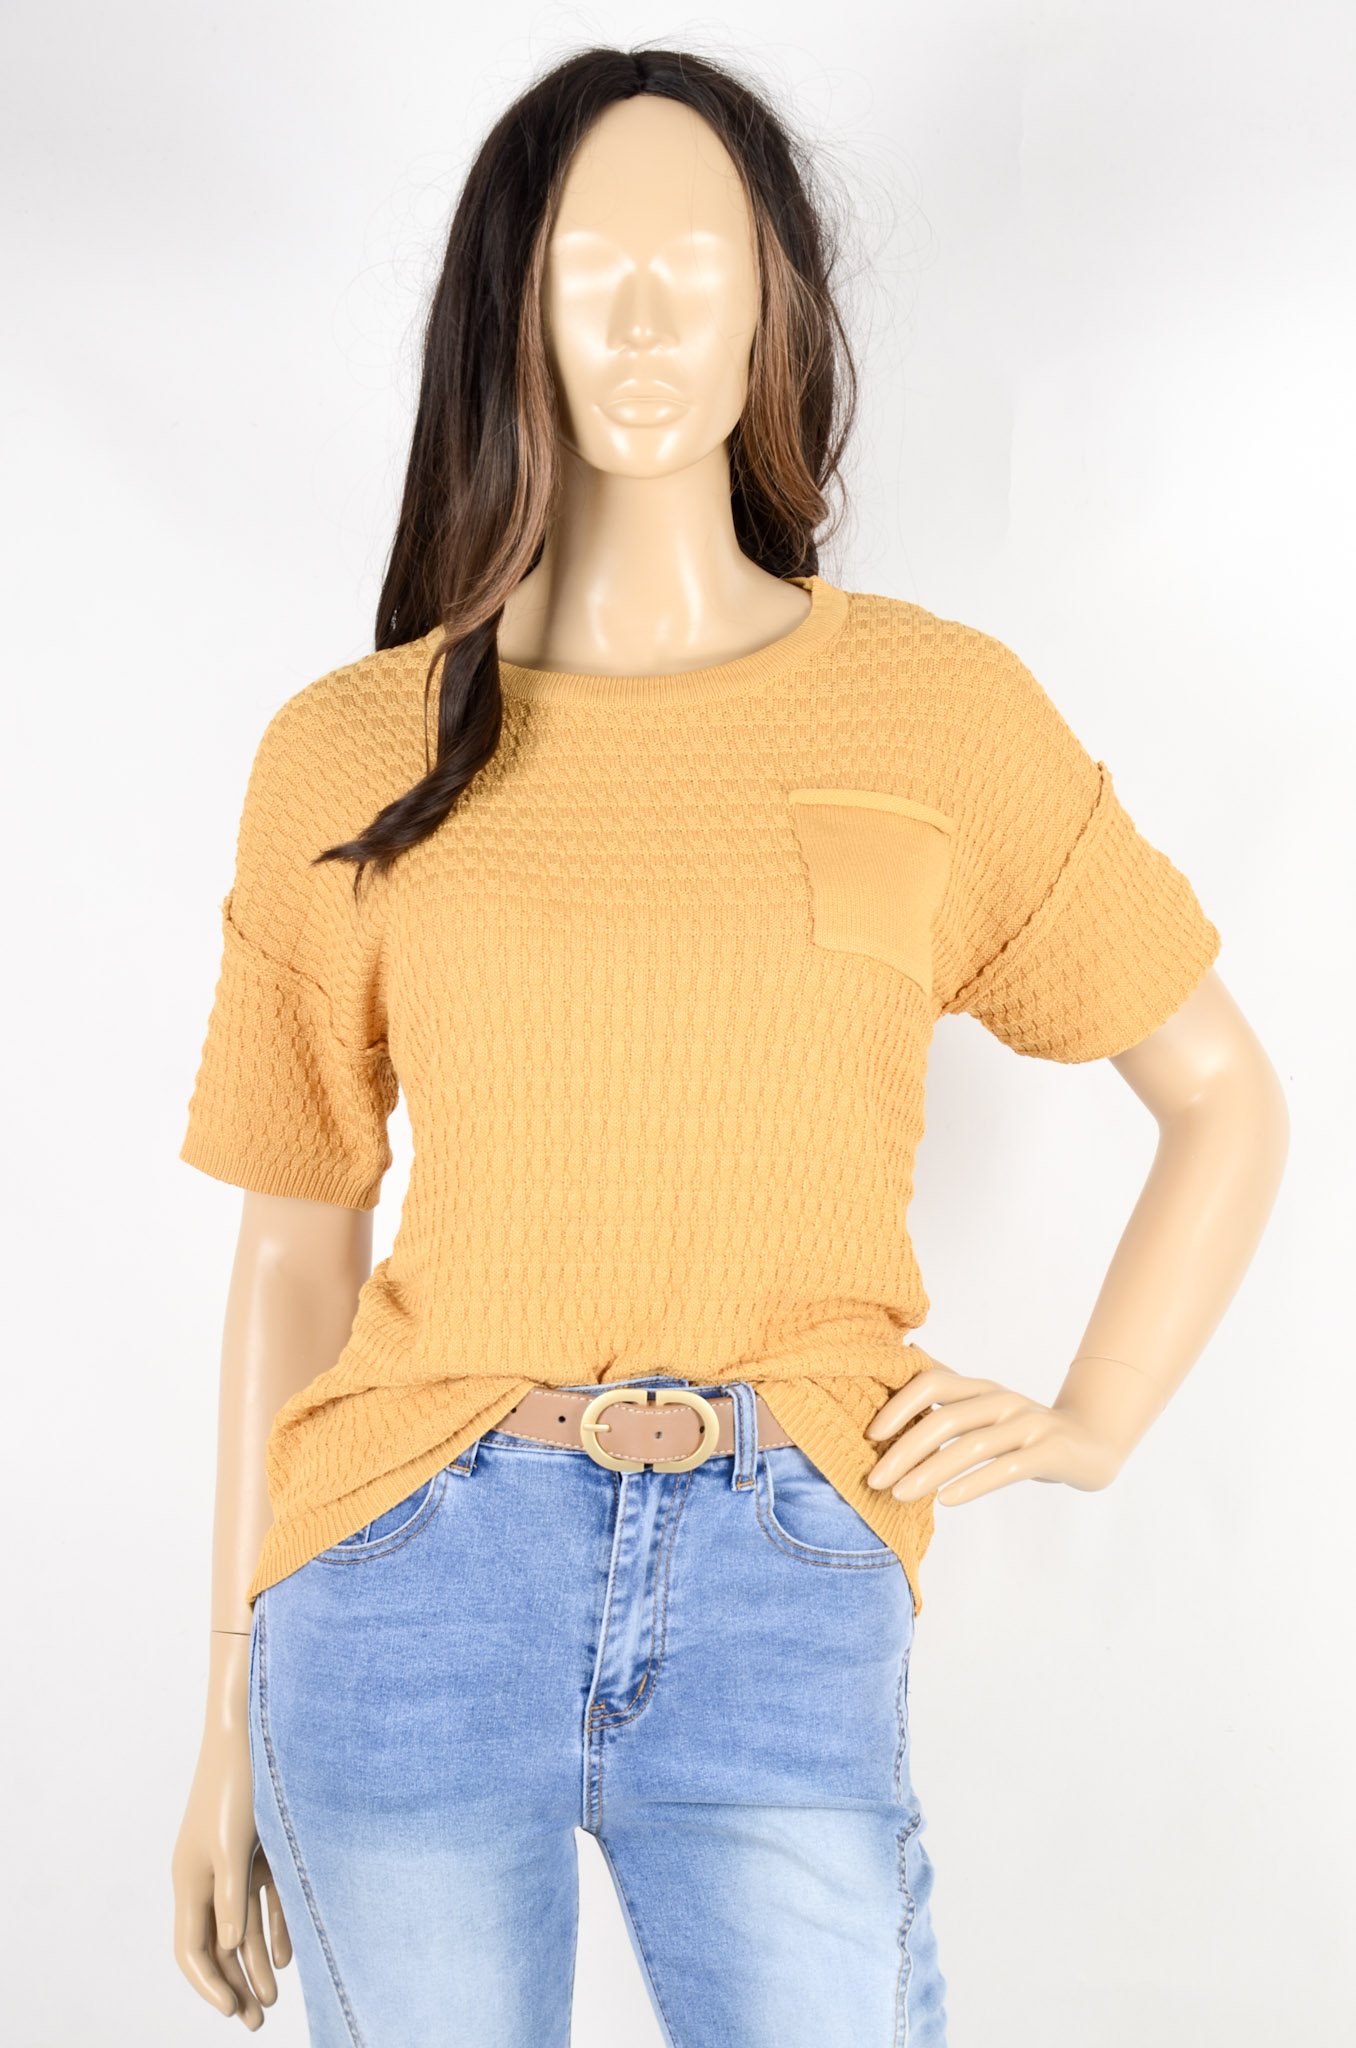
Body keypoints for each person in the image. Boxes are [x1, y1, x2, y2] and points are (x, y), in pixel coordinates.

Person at [169, 44, 1288, 2048]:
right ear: (512, 305)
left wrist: (1095, 1416)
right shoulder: (346, 752)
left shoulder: (939, 718)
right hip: (405, 1570)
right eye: (590, 266)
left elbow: (1222, 1095)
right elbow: (293, 1242)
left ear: (777, 301)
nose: (646, 315)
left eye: (697, 262)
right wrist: (221, 1714)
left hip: (786, 1563)